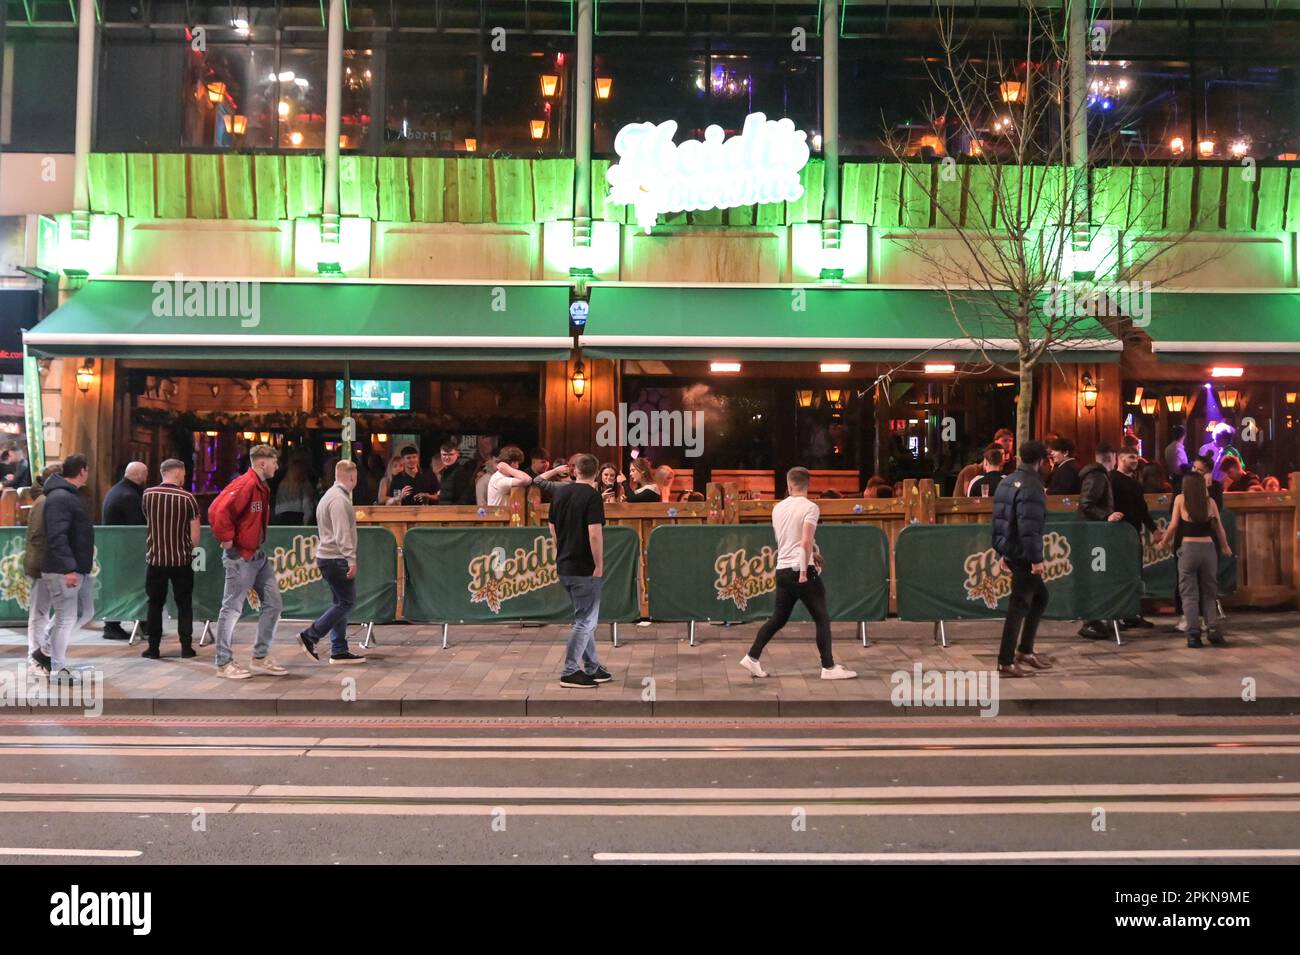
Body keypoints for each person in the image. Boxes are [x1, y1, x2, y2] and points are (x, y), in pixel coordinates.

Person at [739, 466, 857, 680]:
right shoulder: (811, 508)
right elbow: (803, 541)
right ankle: (828, 668)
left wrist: (810, 552)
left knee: (778, 618)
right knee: (822, 618)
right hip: (801, 570)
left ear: (789, 484)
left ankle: (752, 657)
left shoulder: (778, 508)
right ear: (808, 484)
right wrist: (804, 570)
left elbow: (789, 539)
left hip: (782, 569)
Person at [532, 454, 612, 688]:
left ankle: (592, 667)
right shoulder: (592, 496)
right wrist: (598, 564)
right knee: (585, 621)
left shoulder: (561, 493)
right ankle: (569, 671)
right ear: (596, 473)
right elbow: (594, 533)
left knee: (583, 617)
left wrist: (560, 549)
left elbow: (552, 526)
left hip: (565, 563)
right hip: (584, 566)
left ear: (575, 471)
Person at [208, 444, 285, 680]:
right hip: (241, 556)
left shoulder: (260, 486)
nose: (277, 466)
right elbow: (217, 510)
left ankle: (260, 657)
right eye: (274, 462)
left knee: (273, 603)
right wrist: (227, 540)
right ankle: (223, 662)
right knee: (231, 608)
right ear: (262, 463)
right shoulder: (246, 484)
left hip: (256, 554)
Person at [990, 440, 1054, 677]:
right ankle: (1005, 661)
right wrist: (1036, 559)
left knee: (1040, 598)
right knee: (1019, 605)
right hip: (1024, 553)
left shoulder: (1007, 481)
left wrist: (1002, 553)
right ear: (1040, 461)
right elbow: (1030, 527)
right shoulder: (1032, 486)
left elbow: (1000, 520)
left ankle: (1025, 650)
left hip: (1013, 550)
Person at [297, 459, 366, 665]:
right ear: (352, 477)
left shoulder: (330, 496)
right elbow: (342, 533)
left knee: (339, 603)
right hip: (335, 558)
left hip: (328, 557)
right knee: (347, 602)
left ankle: (339, 649)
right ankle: (310, 636)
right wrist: (351, 558)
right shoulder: (339, 500)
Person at [1159, 473, 1233, 648]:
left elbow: (1174, 525)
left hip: (1189, 549)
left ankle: (1193, 635)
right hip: (1208, 549)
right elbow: (1219, 527)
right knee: (1209, 592)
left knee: (1189, 594)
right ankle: (1213, 630)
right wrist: (1225, 546)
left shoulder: (1180, 500)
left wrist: (1163, 542)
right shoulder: (1211, 502)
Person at [40, 453, 96, 684]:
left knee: (86, 612)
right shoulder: (61, 497)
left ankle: (45, 648)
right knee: (65, 618)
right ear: (82, 470)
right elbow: (57, 535)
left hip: (77, 567)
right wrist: (68, 568)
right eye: (88, 470)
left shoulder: (68, 495)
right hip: (64, 569)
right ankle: (56, 668)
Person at [141, 458, 200, 660]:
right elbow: (195, 533)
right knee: (184, 603)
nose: (184, 477)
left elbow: (148, 520)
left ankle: (153, 648)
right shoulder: (188, 498)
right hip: (181, 560)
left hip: (155, 559)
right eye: (183, 474)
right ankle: (186, 647)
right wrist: (191, 550)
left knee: (154, 604)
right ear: (176, 473)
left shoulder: (148, 494)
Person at [1077, 442, 1125, 640]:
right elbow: (1086, 504)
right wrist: (1106, 516)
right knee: (1096, 576)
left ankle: (1094, 619)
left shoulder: (1098, 476)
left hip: (1094, 535)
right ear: (1112, 456)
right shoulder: (1097, 477)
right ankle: (1091, 621)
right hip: (1093, 537)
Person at [100, 460, 149, 640]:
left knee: (127, 588)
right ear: (139, 476)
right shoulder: (128, 496)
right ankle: (112, 626)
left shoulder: (119, 490)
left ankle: (143, 622)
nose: (146, 478)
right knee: (129, 588)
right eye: (145, 474)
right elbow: (137, 527)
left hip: (117, 550)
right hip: (125, 551)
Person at [1112, 446, 1157, 629]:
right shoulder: (1111, 480)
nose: (1135, 460)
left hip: (1135, 535)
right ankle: (1117, 614)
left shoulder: (1136, 484)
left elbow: (1142, 509)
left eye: (1136, 457)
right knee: (1119, 575)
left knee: (1135, 575)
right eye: (1131, 457)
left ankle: (1133, 613)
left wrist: (1154, 530)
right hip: (1117, 535)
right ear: (1120, 458)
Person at [23, 463, 61, 675]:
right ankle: (35, 658)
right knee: (40, 613)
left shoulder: (46, 499)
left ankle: (42, 654)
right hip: (42, 565)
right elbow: (39, 538)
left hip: (44, 564)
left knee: (48, 613)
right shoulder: (45, 501)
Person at [273, 457, 316, 524]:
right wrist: (306, 525)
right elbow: (307, 508)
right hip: (297, 520)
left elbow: (278, 508)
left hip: (280, 519)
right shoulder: (305, 485)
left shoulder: (282, 484)